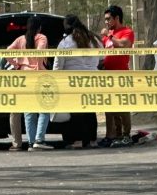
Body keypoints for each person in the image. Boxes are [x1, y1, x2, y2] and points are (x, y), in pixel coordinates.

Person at [53, 14, 102, 149]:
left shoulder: (64, 43)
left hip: (72, 82)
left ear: (67, 27)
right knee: (90, 112)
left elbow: (58, 65)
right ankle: (92, 140)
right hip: (92, 81)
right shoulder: (94, 40)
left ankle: (77, 141)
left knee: (75, 112)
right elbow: (102, 56)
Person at [6, 15, 53, 151]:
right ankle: (39, 139)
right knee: (44, 108)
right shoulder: (42, 38)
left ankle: (31, 143)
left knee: (29, 111)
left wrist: (16, 65)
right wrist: (38, 67)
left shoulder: (21, 39)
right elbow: (40, 52)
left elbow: (7, 51)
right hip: (39, 76)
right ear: (39, 27)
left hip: (24, 77)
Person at [99, 4, 135, 148]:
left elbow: (123, 45)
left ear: (117, 18)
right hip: (107, 76)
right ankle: (115, 135)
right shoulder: (107, 37)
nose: (106, 22)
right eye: (105, 20)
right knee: (110, 107)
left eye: (108, 19)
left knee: (122, 106)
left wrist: (109, 35)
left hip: (121, 75)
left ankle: (126, 135)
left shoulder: (127, 32)